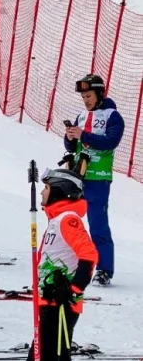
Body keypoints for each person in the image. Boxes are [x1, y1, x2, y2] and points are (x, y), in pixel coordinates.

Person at [0, 168, 93, 361]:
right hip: (50, 302)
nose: (42, 191)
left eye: (46, 187)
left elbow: (89, 256)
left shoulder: (67, 220)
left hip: (60, 306)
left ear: (59, 189)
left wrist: (72, 289)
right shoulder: (57, 220)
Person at [63, 74, 122, 286]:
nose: (85, 100)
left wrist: (83, 136)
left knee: (98, 225)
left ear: (98, 93)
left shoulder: (112, 116)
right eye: (83, 96)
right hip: (78, 176)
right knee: (69, 222)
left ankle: (104, 269)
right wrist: (69, 138)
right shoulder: (81, 116)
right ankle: (71, 263)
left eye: (88, 95)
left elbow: (110, 142)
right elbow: (74, 146)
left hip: (98, 178)